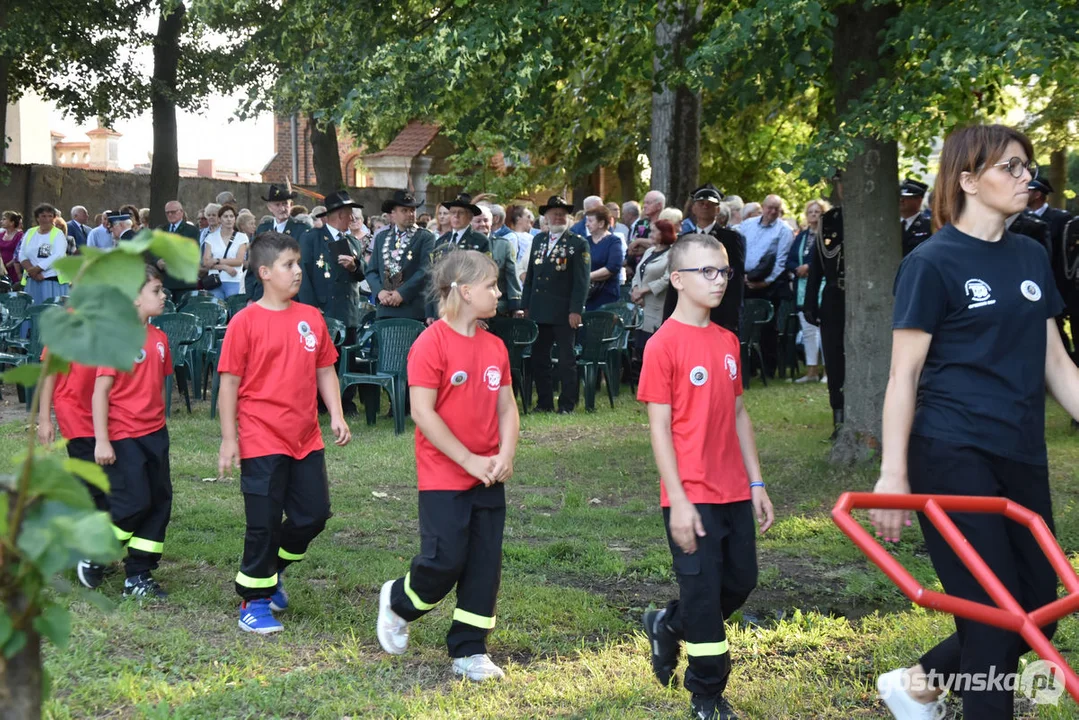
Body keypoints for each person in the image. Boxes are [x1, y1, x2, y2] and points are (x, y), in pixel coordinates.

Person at [871, 124, 1079, 720]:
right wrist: (892, 475)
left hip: (1020, 450)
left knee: (1039, 603)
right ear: (967, 180)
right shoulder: (931, 264)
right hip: (950, 449)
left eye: (1027, 167)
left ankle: (917, 683)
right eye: (1011, 167)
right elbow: (902, 377)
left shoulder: (1032, 254)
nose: (1027, 178)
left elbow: (1057, 366)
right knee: (992, 614)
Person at [638, 233, 774, 720]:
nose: (719, 281)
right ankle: (707, 695)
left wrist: (756, 483)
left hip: (734, 489)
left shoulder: (727, 340)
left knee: (740, 581)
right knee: (702, 591)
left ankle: (668, 623)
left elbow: (739, 414)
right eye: (707, 272)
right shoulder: (662, 345)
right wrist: (677, 499)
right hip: (689, 495)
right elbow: (659, 430)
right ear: (677, 280)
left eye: (724, 272)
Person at [376, 249, 519, 682]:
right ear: (464, 290)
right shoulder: (430, 343)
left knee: (483, 565)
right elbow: (423, 413)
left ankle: (470, 649)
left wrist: (505, 454)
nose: (499, 293)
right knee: (444, 560)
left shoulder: (495, 346)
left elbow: (508, 409)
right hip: (444, 476)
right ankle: (398, 602)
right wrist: (468, 460)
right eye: (491, 285)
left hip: (488, 476)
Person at [216, 231, 349, 633]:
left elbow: (325, 369)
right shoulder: (245, 322)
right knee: (264, 522)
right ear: (265, 272)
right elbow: (228, 385)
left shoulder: (311, 318)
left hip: (306, 437)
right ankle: (253, 601)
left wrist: (337, 414)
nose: (297, 271)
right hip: (260, 438)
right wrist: (229, 438)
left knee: (313, 515)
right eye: (288, 265)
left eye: (298, 264)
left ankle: (271, 570)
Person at [91, 265, 173, 599]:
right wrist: (101, 439)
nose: (163, 295)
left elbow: (158, 385)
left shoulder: (161, 338)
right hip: (124, 436)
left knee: (159, 502)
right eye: (155, 290)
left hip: (156, 434)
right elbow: (100, 392)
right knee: (134, 501)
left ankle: (138, 575)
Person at [521, 196, 590, 414]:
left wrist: (575, 310)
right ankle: (544, 402)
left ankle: (567, 404)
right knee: (539, 358)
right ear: (546, 217)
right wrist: (526, 306)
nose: (558, 216)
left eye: (562, 213)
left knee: (566, 360)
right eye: (554, 213)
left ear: (567, 217)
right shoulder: (538, 240)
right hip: (539, 309)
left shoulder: (578, 243)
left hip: (563, 312)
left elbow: (582, 281)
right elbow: (531, 276)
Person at [298, 191, 367, 357]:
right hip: (324, 312)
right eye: (350, 214)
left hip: (348, 314)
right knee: (324, 363)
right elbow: (304, 275)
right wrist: (312, 308)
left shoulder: (353, 242)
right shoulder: (312, 238)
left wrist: (354, 266)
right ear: (340, 214)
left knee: (348, 364)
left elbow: (363, 273)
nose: (352, 218)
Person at [803, 205, 845, 435]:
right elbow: (817, 265)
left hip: (863, 296)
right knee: (834, 355)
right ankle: (838, 416)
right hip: (834, 296)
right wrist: (810, 302)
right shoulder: (829, 219)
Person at [365, 190, 436, 322]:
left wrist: (402, 293)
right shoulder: (382, 237)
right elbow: (371, 271)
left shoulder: (425, 237)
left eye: (412, 210)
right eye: (404, 210)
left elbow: (426, 270)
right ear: (393, 213)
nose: (410, 214)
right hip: (385, 309)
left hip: (413, 309)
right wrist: (380, 292)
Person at [425, 194, 490, 322]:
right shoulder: (442, 241)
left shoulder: (480, 241)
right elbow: (433, 277)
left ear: (470, 216)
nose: (456, 216)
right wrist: (430, 311)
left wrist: (480, 314)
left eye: (461, 212)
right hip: (443, 306)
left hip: (469, 306)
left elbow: (485, 277)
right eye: (453, 212)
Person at [787, 199, 830, 383]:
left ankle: (828, 372)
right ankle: (811, 371)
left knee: (824, 331)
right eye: (810, 211)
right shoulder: (802, 236)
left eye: (817, 211)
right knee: (808, 330)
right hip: (802, 288)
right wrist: (798, 268)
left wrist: (810, 267)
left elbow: (829, 260)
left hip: (822, 286)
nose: (813, 214)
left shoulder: (828, 236)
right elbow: (789, 259)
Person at [630, 218, 675, 377]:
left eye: (654, 230)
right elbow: (638, 273)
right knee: (640, 343)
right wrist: (636, 289)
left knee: (653, 342)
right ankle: (641, 377)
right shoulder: (649, 251)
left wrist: (644, 291)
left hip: (657, 304)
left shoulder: (671, 254)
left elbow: (666, 278)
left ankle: (657, 376)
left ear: (664, 233)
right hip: (641, 304)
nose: (651, 233)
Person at [471, 206, 522, 316]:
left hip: (498, 307)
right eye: (478, 221)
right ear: (470, 223)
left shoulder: (504, 245)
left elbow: (512, 277)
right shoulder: (464, 246)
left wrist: (516, 307)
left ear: (491, 223)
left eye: (485, 220)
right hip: (470, 308)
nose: (482, 224)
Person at [18, 203, 68, 302]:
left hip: (52, 280)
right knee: (33, 311)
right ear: (37, 218)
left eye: (50, 216)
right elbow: (22, 253)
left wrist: (38, 269)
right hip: (33, 279)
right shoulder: (30, 232)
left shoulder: (58, 234)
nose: (47, 219)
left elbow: (58, 255)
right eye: (43, 216)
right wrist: (32, 271)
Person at [201, 203, 248, 300]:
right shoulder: (211, 237)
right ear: (219, 219)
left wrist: (217, 260)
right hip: (215, 280)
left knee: (233, 311)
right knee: (217, 310)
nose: (229, 219)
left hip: (234, 280)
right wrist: (225, 267)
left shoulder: (241, 237)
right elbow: (206, 262)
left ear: (235, 219)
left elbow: (239, 261)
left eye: (231, 216)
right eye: (225, 216)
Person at [584, 205, 625, 311]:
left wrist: (587, 276)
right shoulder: (585, 242)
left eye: (590, 221)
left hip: (606, 295)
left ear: (601, 223)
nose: (587, 224)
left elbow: (613, 267)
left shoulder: (614, 241)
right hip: (587, 295)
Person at [899, 179, 932, 256]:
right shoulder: (889, 224)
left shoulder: (929, 226)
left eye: (906, 197)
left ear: (919, 200)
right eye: (900, 196)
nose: (901, 200)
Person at [506, 205, 536, 282]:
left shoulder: (533, 238)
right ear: (518, 219)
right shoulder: (511, 238)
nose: (531, 220)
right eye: (528, 217)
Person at [1, 210, 24, 286]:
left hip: (14, 268)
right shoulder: (1, 235)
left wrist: (9, 264)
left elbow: (20, 252)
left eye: (4, 219)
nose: (1, 221)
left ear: (12, 222)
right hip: (2, 269)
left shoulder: (20, 235)